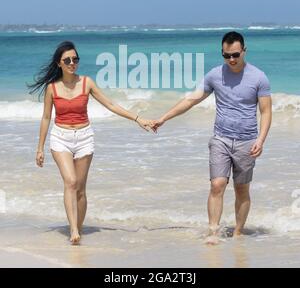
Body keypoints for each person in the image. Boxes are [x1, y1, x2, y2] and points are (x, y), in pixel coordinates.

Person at [28, 41, 154, 244]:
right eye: (67, 60)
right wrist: (39, 148)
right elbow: (45, 118)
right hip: (60, 137)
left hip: (84, 137)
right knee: (70, 182)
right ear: (59, 63)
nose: (72, 63)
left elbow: (111, 104)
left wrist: (138, 118)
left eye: (75, 59)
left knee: (80, 189)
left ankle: (78, 226)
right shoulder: (52, 88)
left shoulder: (87, 82)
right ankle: (74, 230)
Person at [152, 31, 272, 241]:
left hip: (247, 140)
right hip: (221, 139)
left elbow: (266, 111)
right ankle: (213, 232)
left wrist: (260, 140)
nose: (232, 60)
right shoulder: (214, 75)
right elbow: (191, 100)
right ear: (222, 53)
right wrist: (164, 118)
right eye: (227, 56)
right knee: (217, 184)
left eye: (235, 54)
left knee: (241, 189)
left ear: (244, 51)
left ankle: (237, 233)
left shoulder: (259, 77)